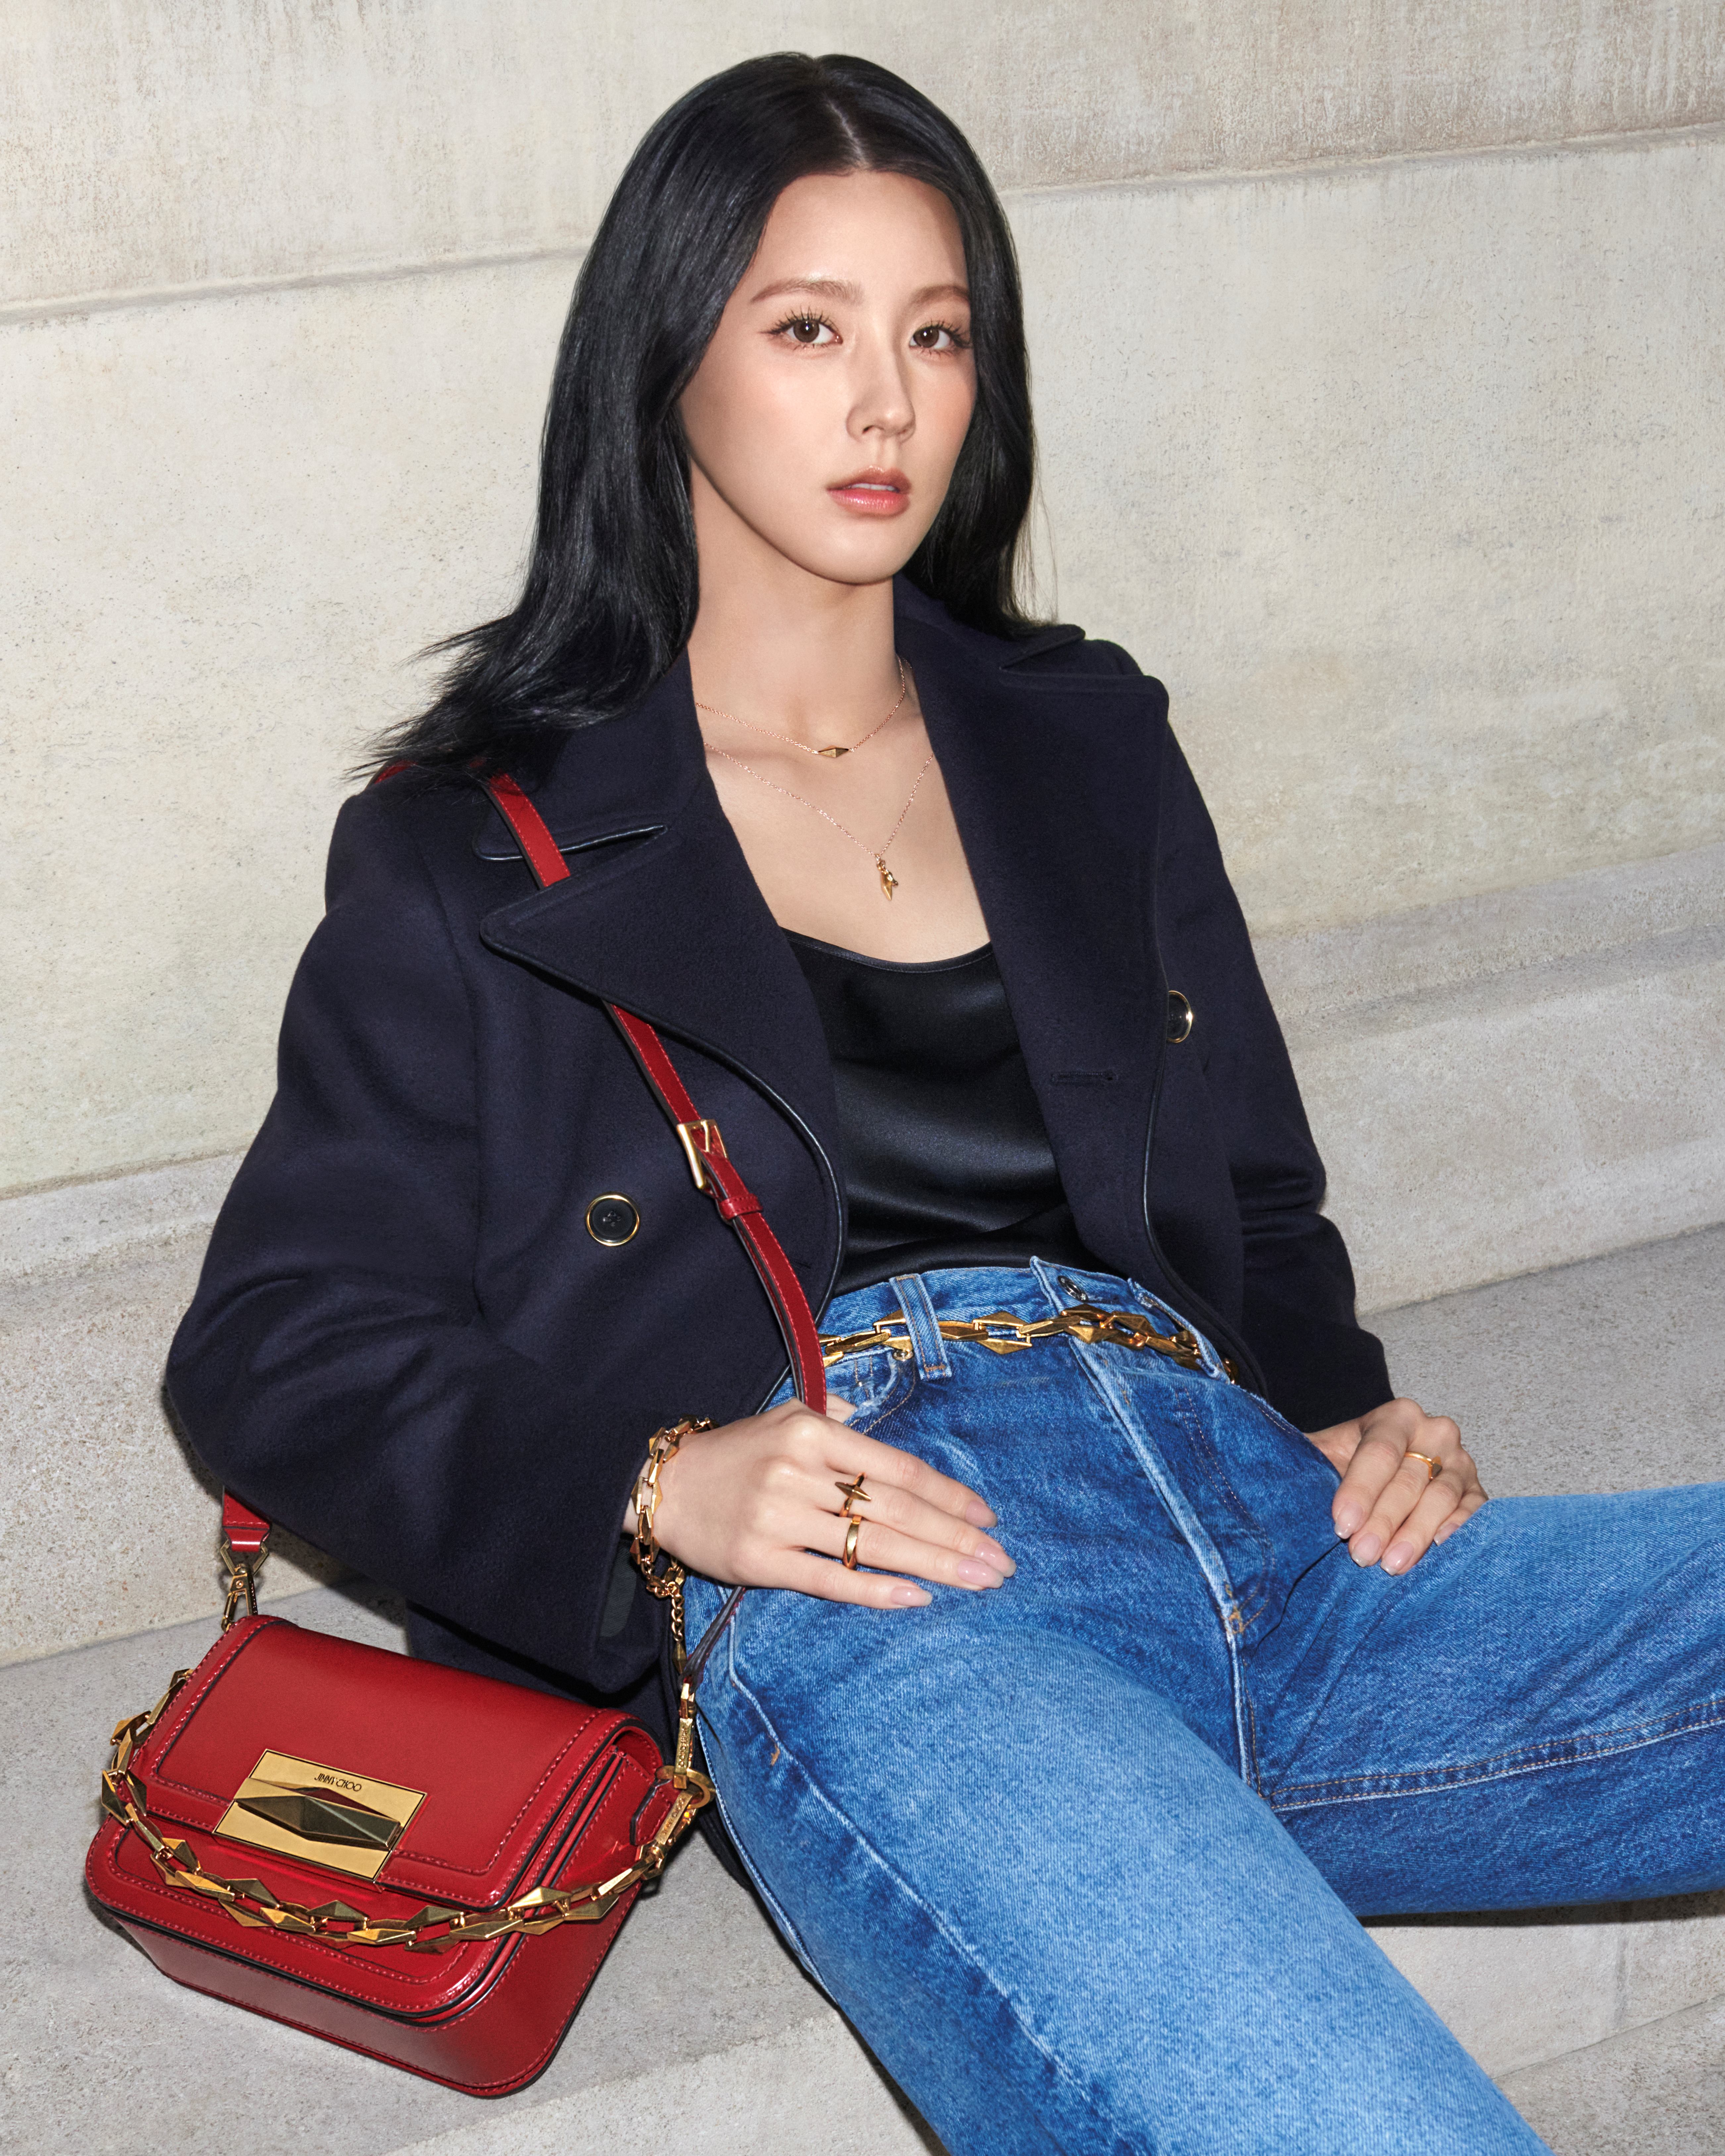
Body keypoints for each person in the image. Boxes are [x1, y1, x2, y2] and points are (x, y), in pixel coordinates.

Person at [168, 52, 1724, 2156]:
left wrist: (1343, 1402)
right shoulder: (473, 843)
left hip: (1264, 1534)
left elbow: (1251, 1186)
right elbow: (275, 1344)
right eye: (807, 331)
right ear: (666, 363)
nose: (886, 405)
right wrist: (658, 1483)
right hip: (889, 1604)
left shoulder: (1088, 738)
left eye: (937, 334)